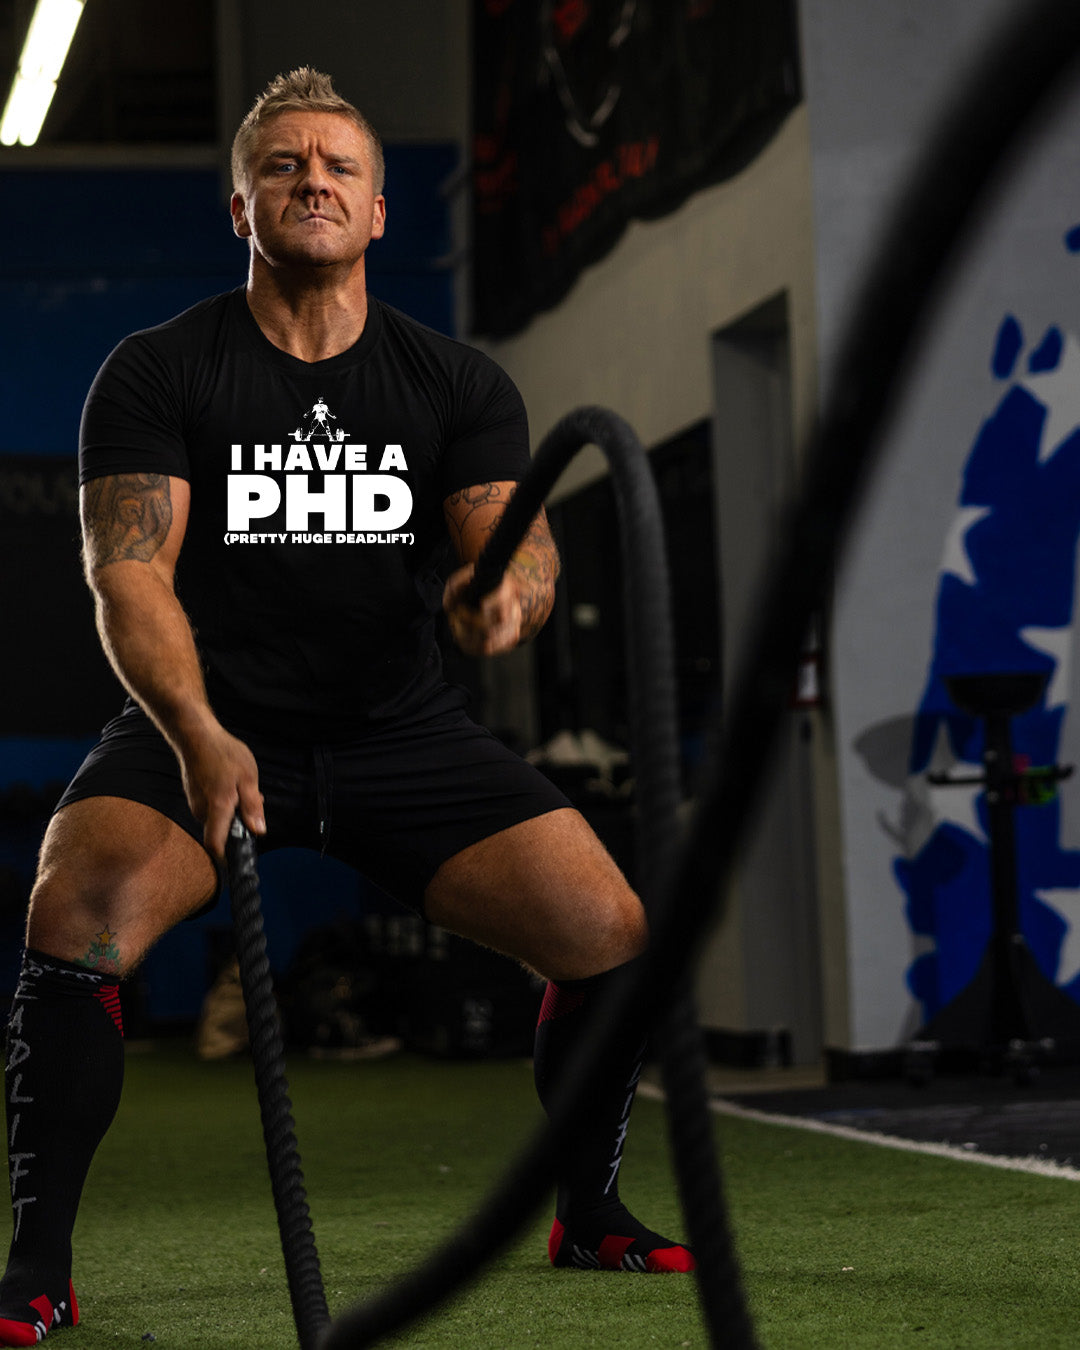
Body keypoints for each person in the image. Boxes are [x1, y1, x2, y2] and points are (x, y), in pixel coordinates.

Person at [0, 67, 693, 1345]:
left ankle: (588, 1211)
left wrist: (506, 604)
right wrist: (200, 735)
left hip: (397, 732)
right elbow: (129, 578)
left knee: (608, 929)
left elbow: (513, 547)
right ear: (241, 206)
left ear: (379, 212)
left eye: (338, 167)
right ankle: (37, 1265)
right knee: (77, 907)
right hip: (201, 722)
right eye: (282, 165)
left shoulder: (455, 384)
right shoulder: (159, 371)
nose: (311, 179)